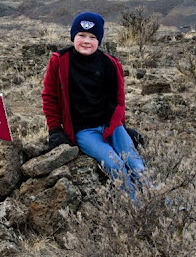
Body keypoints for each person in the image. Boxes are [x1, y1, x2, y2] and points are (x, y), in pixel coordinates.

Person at [41, 12, 145, 200]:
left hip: (112, 126)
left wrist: (122, 125)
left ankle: (162, 203)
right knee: (115, 165)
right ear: (73, 36)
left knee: (136, 163)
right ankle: (137, 207)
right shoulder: (59, 61)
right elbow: (49, 97)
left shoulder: (110, 63)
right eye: (81, 35)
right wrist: (55, 129)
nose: (86, 41)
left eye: (93, 37)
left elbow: (118, 99)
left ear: (100, 40)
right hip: (84, 131)